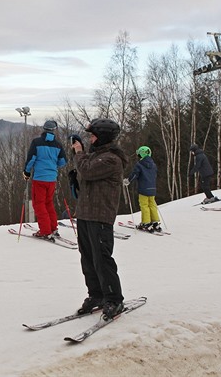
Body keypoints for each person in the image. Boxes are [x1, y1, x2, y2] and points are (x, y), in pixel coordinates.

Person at [71, 118, 127, 320]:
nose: (90, 138)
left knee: (102, 259)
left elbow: (86, 170)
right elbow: (86, 174)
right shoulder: (98, 156)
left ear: (102, 137)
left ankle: (114, 299)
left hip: (100, 216)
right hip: (86, 214)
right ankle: (96, 295)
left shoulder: (111, 159)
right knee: (87, 259)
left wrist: (79, 152)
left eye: (93, 135)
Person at [22, 120, 67, 237]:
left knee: (39, 204)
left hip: (40, 178)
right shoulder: (58, 145)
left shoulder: (37, 142)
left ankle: (45, 231)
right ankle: (53, 228)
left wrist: (26, 172)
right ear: (54, 130)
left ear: (44, 129)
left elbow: (31, 159)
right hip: (52, 179)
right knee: (48, 203)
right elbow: (63, 162)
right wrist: (52, 165)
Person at [123, 146, 161, 232]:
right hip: (152, 188)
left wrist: (128, 181)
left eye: (139, 154)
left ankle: (146, 223)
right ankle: (155, 221)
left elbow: (135, 174)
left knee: (144, 205)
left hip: (143, 189)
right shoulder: (153, 165)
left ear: (141, 154)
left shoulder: (139, 164)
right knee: (152, 205)